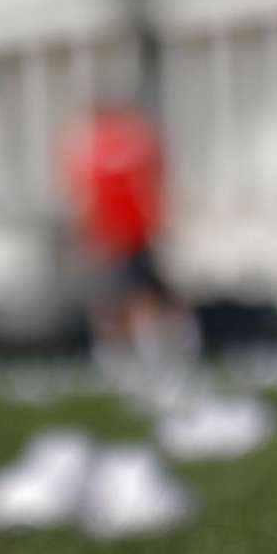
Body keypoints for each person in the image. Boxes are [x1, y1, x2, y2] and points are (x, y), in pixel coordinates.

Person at [62, 95, 185, 366]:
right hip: (125, 235)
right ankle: (136, 347)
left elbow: (86, 197)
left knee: (128, 295)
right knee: (132, 295)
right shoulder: (128, 143)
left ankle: (135, 347)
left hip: (121, 236)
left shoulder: (96, 148)